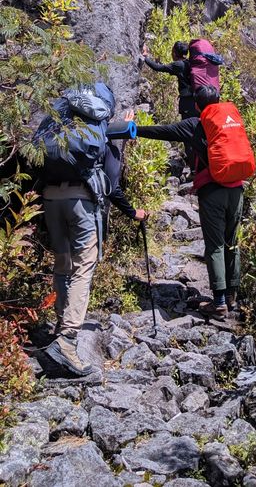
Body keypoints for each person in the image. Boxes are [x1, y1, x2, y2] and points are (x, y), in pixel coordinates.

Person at [40, 93, 147, 376]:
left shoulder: (60, 123)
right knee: (84, 266)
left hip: (50, 199)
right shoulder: (98, 134)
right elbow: (111, 184)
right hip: (80, 202)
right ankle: (68, 339)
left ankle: (60, 330)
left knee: (62, 264)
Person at [136, 85, 243, 319]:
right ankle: (233, 297)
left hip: (212, 191)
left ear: (197, 105)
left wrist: (132, 129)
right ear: (219, 100)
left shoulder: (195, 124)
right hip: (237, 189)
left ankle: (219, 302)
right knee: (232, 243)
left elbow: (164, 131)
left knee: (215, 245)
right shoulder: (230, 121)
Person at [142, 41, 195, 120]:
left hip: (187, 102)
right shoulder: (188, 62)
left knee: (187, 127)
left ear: (174, 52)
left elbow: (157, 67)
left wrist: (144, 56)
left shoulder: (178, 65)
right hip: (194, 101)